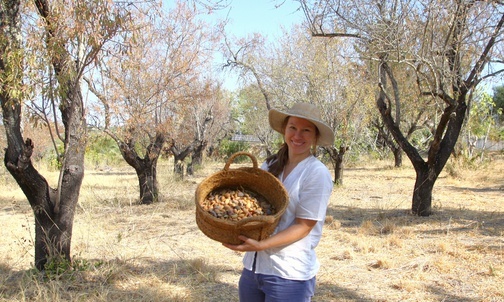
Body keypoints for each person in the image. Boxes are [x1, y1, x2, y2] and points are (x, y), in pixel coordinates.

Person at [223, 102, 335, 302]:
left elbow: (304, 226)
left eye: (306, 130)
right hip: (253, 269)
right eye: (293, 128)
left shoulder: (316, 173)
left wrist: (262, 244)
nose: (297, 136)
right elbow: (253, 204)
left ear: (315, 137)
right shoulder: (271, 164)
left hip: (288, 272)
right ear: (285, 129)